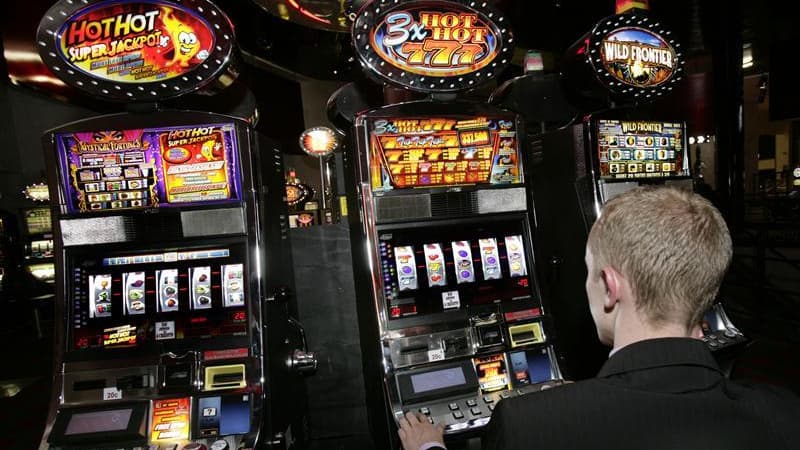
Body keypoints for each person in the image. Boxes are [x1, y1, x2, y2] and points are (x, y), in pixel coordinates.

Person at [398, 186, 800, 450]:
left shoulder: (529, 425)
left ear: (610, 287)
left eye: (588, 270)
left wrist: (429, 448)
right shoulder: (783, 413)